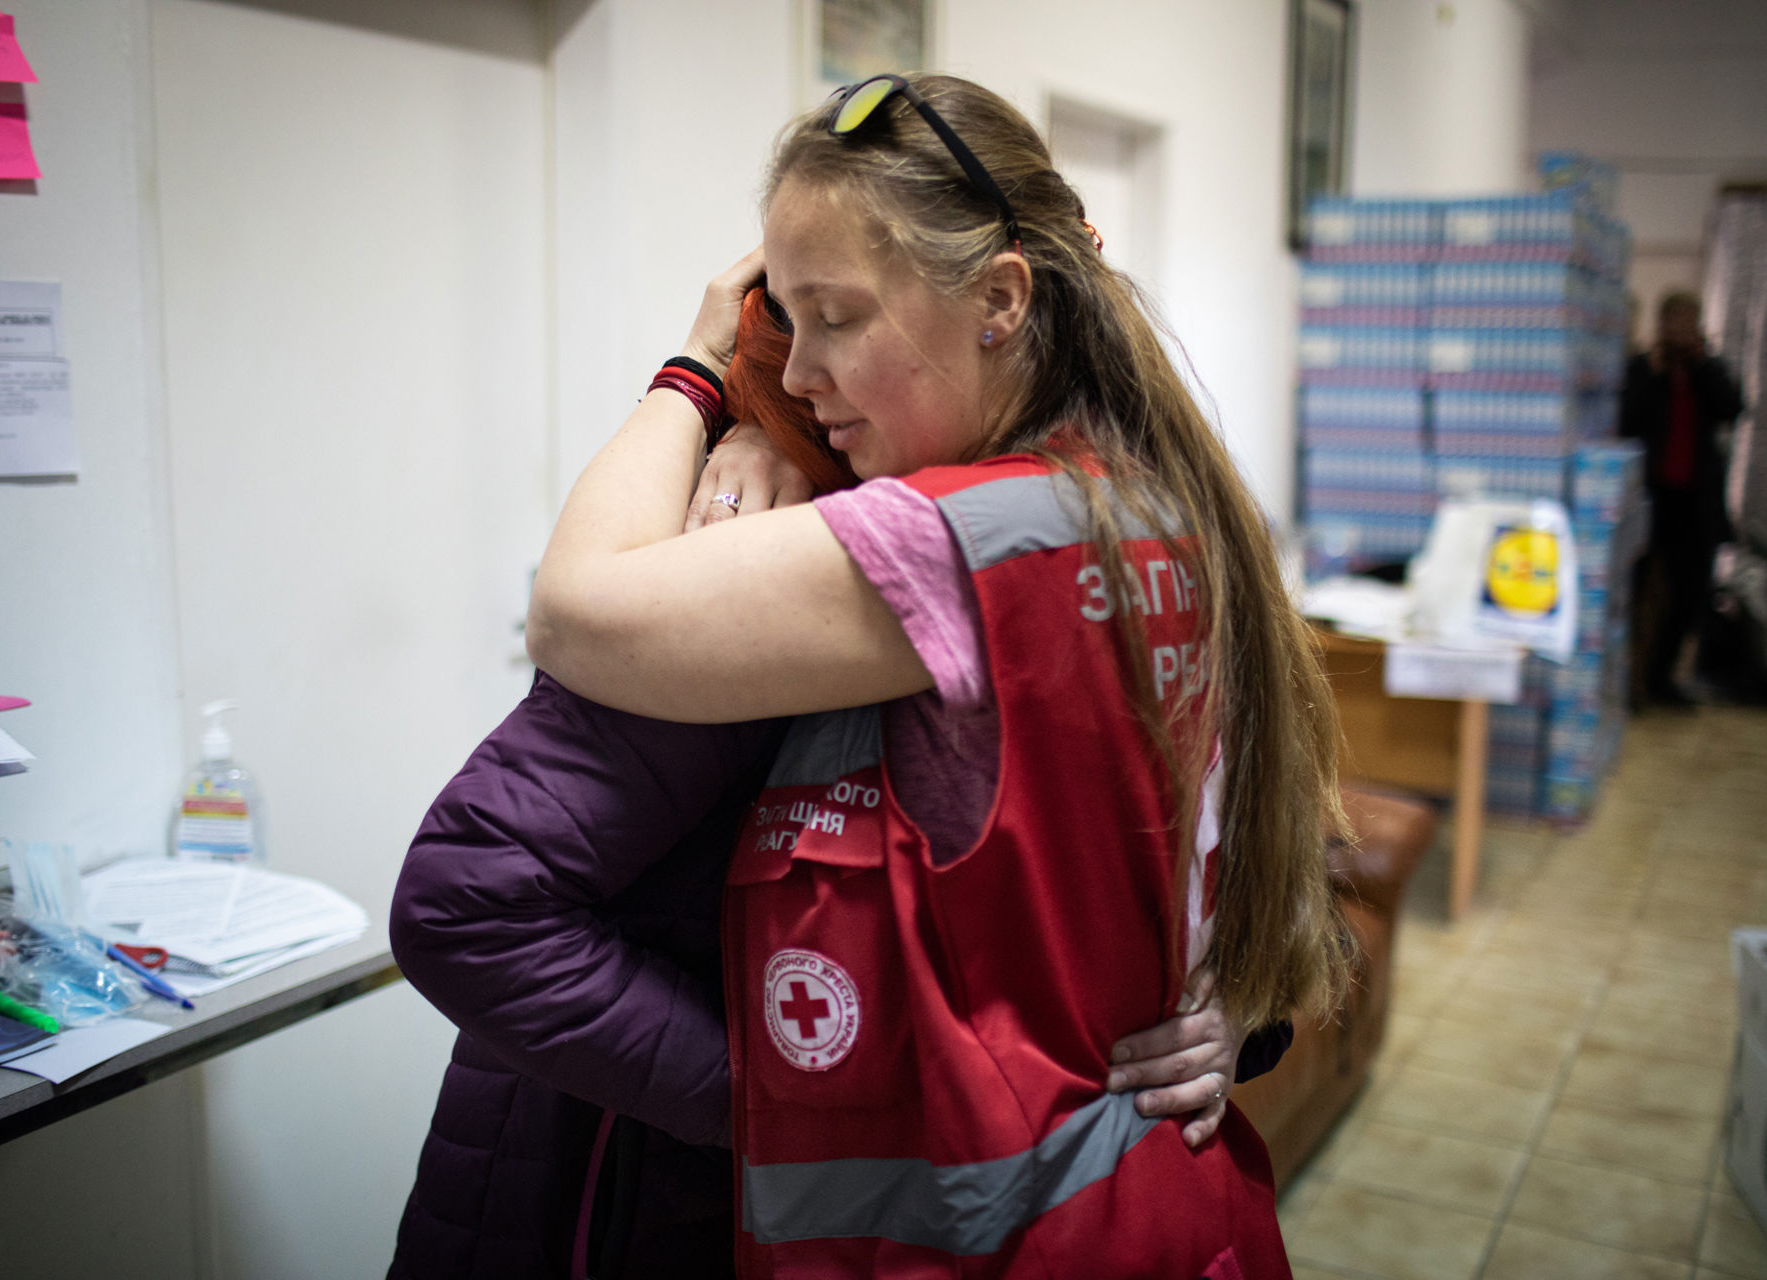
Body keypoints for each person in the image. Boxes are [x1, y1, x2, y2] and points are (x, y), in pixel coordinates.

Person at [523, 73, 1346, 1276]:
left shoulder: (956, 540)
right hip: (1169, 1211)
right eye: (779, 324)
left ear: (1001, 298)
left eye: (836, 317)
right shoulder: (1155, 505)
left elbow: (575, 611)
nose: (799, 369)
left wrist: (700, 368)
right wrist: (1246, 1013)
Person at [387, 302, 1292, 1277]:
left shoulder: (1104, 540)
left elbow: (1221, 838)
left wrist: (1240, 994)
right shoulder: (773, 554)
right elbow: (473, 896)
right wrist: (800, 1106)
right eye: (810, 330)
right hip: (644, 1195)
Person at [1618, 290, 1745, 706]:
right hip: (1650, 500)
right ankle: (1630, 682)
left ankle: (1662, 679)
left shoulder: (1709, 369)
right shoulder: (1641, 368)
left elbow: (1732, 410)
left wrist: (1702, 365)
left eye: (1688, 322)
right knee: (1638, 597)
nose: (1680, 331)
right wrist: (1654, 372)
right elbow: (1625, 422)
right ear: (1661, 324)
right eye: (1674, 322)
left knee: (1688, 595)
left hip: (1695, 501)